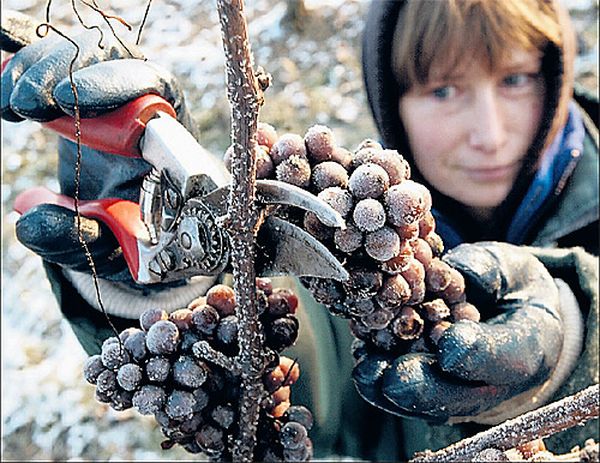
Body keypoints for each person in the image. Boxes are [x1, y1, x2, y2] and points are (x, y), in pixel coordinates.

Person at [1, 1, 597, 461]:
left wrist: (578, 339)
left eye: (515, 79)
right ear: (391, 101)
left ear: (555, 75)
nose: (488, 134)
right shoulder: (355, 246)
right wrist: (164, 284)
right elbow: (310, 370)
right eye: (443, 89)